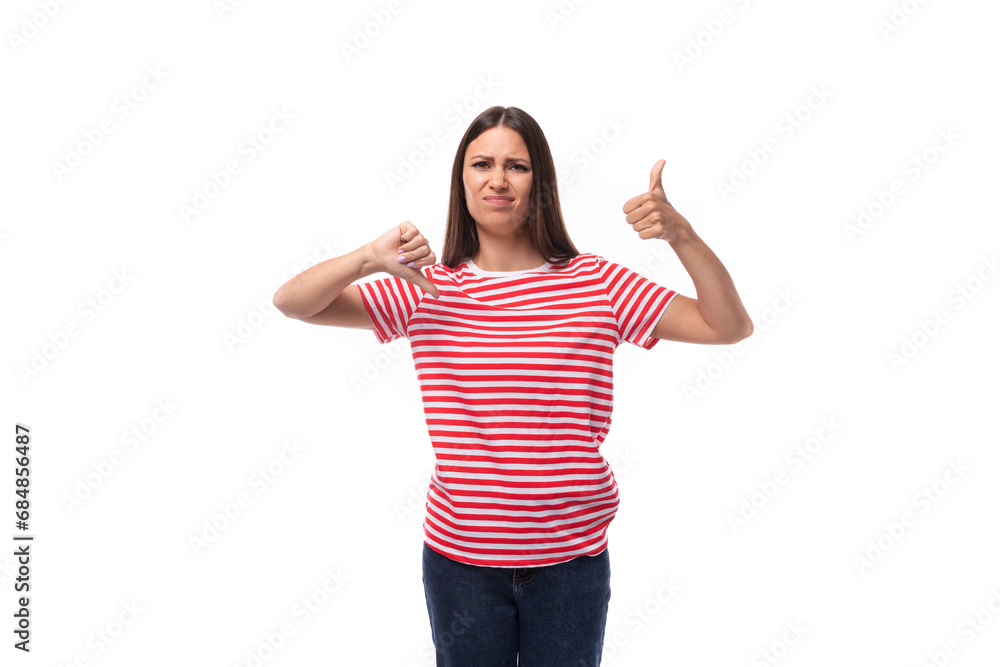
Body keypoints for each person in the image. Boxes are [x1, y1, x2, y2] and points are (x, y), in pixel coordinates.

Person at [272, 106, 753, 666]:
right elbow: (292, 303)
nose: (498, 179)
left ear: (540, 183)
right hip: (461, 563)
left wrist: (681, 235)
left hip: (571, 561)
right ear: (463, 181)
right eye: (482, 164)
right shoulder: (427, 289)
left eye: (516, 166)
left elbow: (728, 326)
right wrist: (366, 260)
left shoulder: (596, 283)